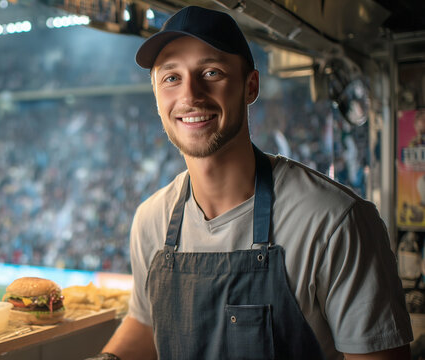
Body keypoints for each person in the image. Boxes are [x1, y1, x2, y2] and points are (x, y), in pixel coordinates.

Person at [90, 5, 413, 360]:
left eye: (211, 72)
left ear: (250, 86)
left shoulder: (334, 221)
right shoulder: (151, 219)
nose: (190, 95)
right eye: (171, 78)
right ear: (156, 96)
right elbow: (146, 323)